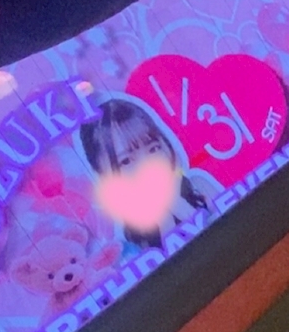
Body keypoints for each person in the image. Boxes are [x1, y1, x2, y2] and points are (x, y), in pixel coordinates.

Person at [78, 97, 212, 249]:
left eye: (153, 149)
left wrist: (179, 204)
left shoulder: (198, 185)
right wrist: (165, 219)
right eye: (126, 161)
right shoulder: (128, 240)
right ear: (103, 176)